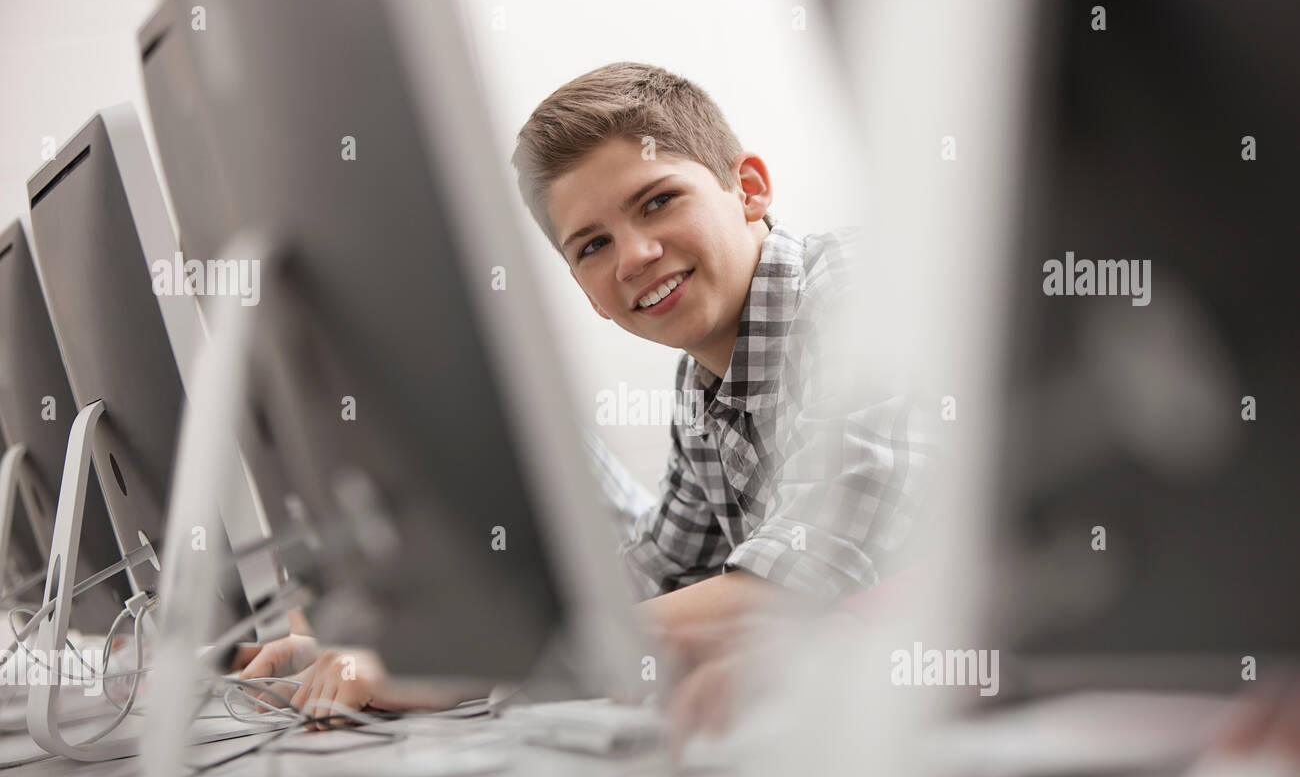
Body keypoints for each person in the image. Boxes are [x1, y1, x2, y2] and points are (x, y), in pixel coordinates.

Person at [241, 62, 936, 732]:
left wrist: (476, 669)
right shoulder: (703, 388)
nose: (632, 257)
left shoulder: (851, 291)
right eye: (592, 246)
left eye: (657, 201)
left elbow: (800, 579)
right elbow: (646, 576)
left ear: (749, 188)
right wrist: (379, 647)